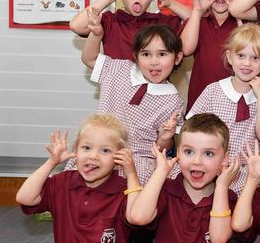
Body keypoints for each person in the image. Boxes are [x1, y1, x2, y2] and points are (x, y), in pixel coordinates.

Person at [5, 114, 140, 243]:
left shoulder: (127, 190)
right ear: (75, 151)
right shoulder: (63, 182)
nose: (93, 156)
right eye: (86, 148)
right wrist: (52, 162)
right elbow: (25, 198)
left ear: (118, 157)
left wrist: (131, 173)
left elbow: (138, 217)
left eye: (105, 151)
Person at [187, 23, 260, 243]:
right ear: (230, 57)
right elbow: (192, 128)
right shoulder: (214, 90)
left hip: (250, 168)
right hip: (215, 166)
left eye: (254, 57)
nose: (247, 63)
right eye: (241, 56)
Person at [117, 113, 239, 243]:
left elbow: (220, 238)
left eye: (208, 154)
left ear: (224, 159)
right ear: (178, 153)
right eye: (189, 152)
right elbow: (138, 217)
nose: (197, 161)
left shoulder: (227, 197)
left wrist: (222, 186)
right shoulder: (165, 189)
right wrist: (160, 172)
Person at [77, 21, 184, 185]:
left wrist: (165, 137)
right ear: (136, 57)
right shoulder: (120, 69)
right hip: (100, 149)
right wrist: (97, 35)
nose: (154, 61)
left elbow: (161, 147)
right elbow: (89, 58)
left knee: (135, 194)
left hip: (138, 157)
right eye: (146, 54)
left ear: (177, 58)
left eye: (162, 54)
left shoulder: (173, 100)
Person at [180, 0, 247, 112]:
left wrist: (238, 13)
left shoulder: (245, 24)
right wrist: (197, 10)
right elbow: (185, 49)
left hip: (235, 108)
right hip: (201, 106)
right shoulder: (198, 20)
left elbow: (248, 49)